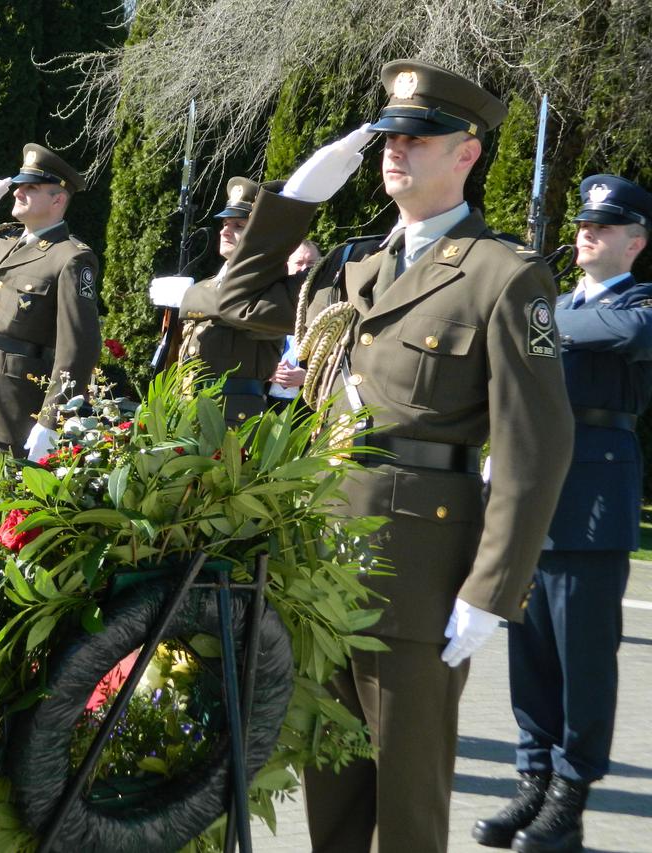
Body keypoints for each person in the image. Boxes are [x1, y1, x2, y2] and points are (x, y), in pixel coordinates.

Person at [213, 60, 574, 851]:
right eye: (386, 137)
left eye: (417, 137)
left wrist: (492, 589)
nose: (395, 151)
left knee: (406, 802)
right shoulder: (359, 266)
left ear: (467, 154)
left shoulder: (504, 277)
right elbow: (235, 297)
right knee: (332, 794)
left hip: (421, 566)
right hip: (323, 558)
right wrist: (303, 193)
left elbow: (536, 444)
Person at [473, 175, 652, 853]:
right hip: (534, 491)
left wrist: (537, 319)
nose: (587, 234)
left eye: (604, 227)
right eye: (583, 224)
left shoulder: (639, 303)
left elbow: (625, 331)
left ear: (636, 241)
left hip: (594, 500)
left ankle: (570, 799)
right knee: (532, 649)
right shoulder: (558, 306)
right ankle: (533, 777)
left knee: (583, 655)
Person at [0, 143, 101, 518]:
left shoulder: (71, 257)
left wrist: (53, 419)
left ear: (58, 199)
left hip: (18, 405)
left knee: (9, 514)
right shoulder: (3, 243)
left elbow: (78, 348)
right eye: (18, 186)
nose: (17, 192)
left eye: (30, 188)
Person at [147, 177, 291, 421]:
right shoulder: (207, 286)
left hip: (233, 415)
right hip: (189, 408)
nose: (225, 230)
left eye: (238, 225)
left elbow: (234, 306)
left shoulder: (266, 284)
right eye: (225, 223)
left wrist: (187, 296)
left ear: (259, 235)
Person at [266, 240, 321, 411]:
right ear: (287, 265)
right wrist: (266, 370)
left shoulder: (327, 307)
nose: (304, 269)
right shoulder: (269, 304)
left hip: (307, 406)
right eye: (299, 263)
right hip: (263, 401)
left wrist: (308, 377)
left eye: (311, 264)